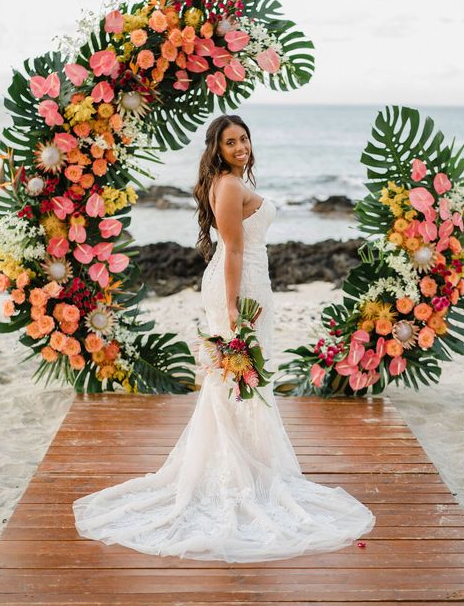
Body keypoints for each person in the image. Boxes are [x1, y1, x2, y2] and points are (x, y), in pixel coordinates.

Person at [72, 113, 376, 562]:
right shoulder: (230, 186)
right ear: (216, 148)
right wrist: (233, 310)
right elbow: (232, 248)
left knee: (238, 383)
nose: (241, 147)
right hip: (241, 286)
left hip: (250, 281)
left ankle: (244, 468)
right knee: (238, 381)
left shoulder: (228, 181)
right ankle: (236, 476)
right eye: (231, 142)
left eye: (245, 139)